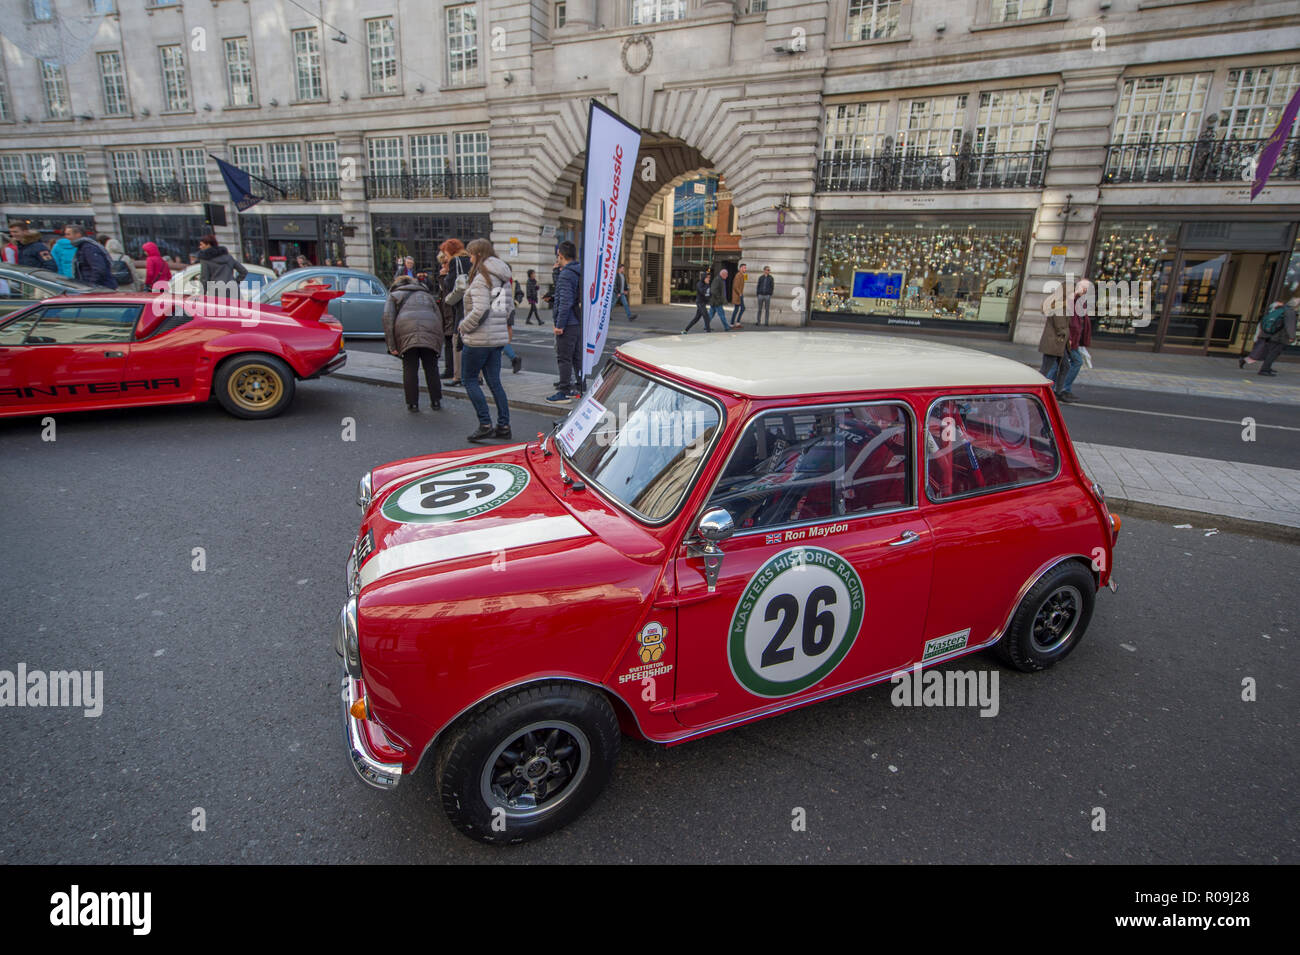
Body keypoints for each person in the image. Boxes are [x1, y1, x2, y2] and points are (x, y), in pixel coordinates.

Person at [457, 238, 512, 441]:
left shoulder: (482, 279)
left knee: (469, 380)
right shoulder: (503, 277)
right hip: (496, 339)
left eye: (471, 254)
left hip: (478, 340)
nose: (469, 259)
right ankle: (504, 425)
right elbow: (508, 309)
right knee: (495, 382)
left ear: (478, 254)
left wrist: (463, 327)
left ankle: (485, 423)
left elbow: (480, 310)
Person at [383, 275, 443, 412]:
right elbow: (438, 318)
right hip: (430, 330)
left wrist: (392, 346)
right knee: (431, 367)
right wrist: (439, 345)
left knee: (410, 367)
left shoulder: (394, 295)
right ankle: (436, 401)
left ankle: (412, 403)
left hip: (405, 332)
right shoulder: (427, 295)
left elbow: (388, 320)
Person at [547, 241, 583, 403]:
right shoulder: (579, 270)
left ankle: (564, 391)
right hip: (577, 320)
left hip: (568, 323)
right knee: (576, 357)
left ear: (560, 255)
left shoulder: (566, 274)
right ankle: (580, 386)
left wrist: (559, 325)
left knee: (564, 358)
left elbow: (565, 301)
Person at [439, 238, 472, 384]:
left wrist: (444, 275)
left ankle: (457, 376)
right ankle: (477, 375)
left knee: (457, 339)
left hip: (461, 305)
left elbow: (450, 284)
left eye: (445, 253)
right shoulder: (470, 259)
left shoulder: (455, 261)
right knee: (473, 340)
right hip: (474, 303)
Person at [1241, 294, 1298, 377]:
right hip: (1280, 337)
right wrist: (1292, 337)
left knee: (1271, 352)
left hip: (1272, 335)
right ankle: (1264, 369)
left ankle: (1266, 367)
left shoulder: (1282, 309)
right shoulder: (1290, 312)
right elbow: (1290, 325)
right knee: (1273, 353)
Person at [1055, 278, 1092, 403]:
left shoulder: (1081, 302)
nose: (1085, 291)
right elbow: (1067, 322)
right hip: (1068, 340)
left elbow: (1081, 322)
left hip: (1074, 340)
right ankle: (1062, 389)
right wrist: (1069, 338)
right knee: (1074, 362)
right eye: (1084, 288)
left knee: (1062, 365)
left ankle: (1060, 389)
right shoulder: (1070, 301)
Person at [1037, 280, 1070, 387]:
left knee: (1064, 366)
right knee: (1046, 369)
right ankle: (1038, 388)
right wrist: (1066, 333)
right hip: (1055, 341)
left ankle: (1057, 390)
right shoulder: (1060, 305)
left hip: (1057, 342)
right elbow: (1060, 326)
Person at [682, 269, 713, 334]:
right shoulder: (699, 284)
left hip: (703, 303)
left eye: (709, 278)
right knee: (706, 316)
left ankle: (685, 330)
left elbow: (709, 293)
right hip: (700, 302)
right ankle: (708, 332)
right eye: (707, 278)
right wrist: (707, 285)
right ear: (704, 278)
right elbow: (702, 292)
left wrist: (711, 299)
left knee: (696, 318)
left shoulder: (707, 284)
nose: (709, 279)